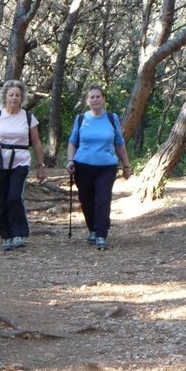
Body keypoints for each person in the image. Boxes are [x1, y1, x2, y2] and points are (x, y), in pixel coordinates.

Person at [0, 80, 47, 251]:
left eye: (17, 95)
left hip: (20, 161)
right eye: (11, 95)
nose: (14, 98)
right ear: (5, 97)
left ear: (22, 97)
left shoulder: (28, 118)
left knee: (14, 197)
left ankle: (19, 233)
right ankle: (6, 236)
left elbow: (37, 143)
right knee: (1, 200)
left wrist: (41, 166)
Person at [65, 85, 132, 251]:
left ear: (103, 99)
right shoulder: (81, 119)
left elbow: (119, 143)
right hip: (83, 166)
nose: (95, 100)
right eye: (92, 97)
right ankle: (93, 230)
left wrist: (126, 164)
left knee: (103, 199)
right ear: (88, 101)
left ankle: (102, 234)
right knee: (86, 200)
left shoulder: (111, 118)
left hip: (107, 166)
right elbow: (73, 142)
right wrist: (70, 160)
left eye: (98, 97)